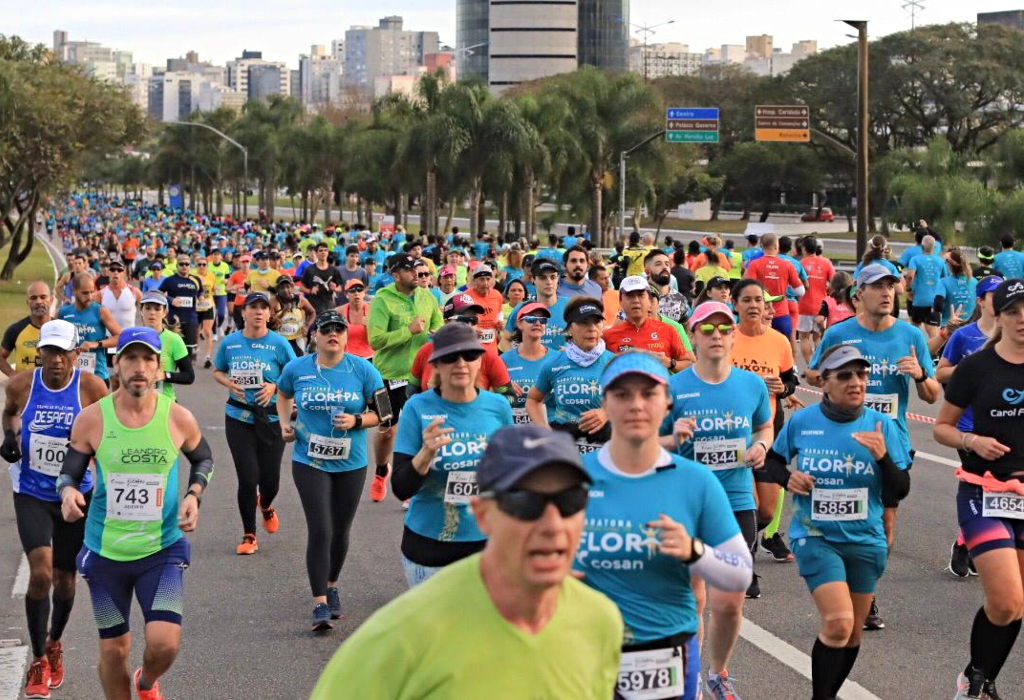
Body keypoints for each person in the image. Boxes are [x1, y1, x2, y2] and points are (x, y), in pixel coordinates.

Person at [311, 424, 622, 699]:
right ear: (483, 514)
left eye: (569, 500)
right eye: (527, 502)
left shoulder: (600, 620)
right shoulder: (401, 635)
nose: (553, 524)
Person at [577, 351, 753, 700]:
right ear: (605, 404)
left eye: (649, 394)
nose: (636, 405)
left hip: (665, 653)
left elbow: (739, 574)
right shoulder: (571, 477)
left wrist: (693, 551)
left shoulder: (696, 481)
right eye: (622, 394)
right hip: (584, 650)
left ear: (667, 404)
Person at [56, 326, 213, 700]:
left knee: (164, 644)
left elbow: (203, 457)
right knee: (113, 650)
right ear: (117, 366)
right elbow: (69, 472)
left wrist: (194, 493)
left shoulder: (178, 418)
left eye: (147, 359)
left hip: (161, 550)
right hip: (106, 551)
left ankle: (145, 682)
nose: (139, 367)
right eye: (131, 358)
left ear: (160, 369)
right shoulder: (93, 419)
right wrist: (67, 492)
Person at [761, 345, 910, 700]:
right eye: (845, 376)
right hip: (815, 536)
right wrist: (788, 480)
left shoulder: (882, 425)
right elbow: (771, 463)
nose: (856, 382)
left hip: (865, 539)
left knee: (853, 634)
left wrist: (884, 458)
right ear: (825, 383)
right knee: (838, 623)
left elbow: (900, 488)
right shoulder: (803, 421)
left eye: (862, 374)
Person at [808, 263, 940, 630]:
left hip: (891, 445)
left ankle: (866, 590)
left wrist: (920, 374)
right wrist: (842, 386)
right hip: (844, 443)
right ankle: (848, 586)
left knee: (884, 525)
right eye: (877, 286)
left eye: (891, 286)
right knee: (848, 518)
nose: (887, 293)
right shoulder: (839, 333)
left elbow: (931, 397)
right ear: (858, 295)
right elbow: (813, 374)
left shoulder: (911, 336)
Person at [665, 302, 772, 698]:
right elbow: (647, 444)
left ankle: (719, 673)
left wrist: (762, 444)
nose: (715, 335)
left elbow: (764, 424)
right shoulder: (673, 387)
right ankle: (689, 675)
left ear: (732, 336)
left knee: (730, 601)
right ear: (692, 335)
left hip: (736, 499)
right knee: (693, 597)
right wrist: (672, 437)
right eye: (705, 328)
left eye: (723, 328)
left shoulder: (751, 384)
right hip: (686, 500)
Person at [2, 320, 108, 699]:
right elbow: (11, 413)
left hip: (76, 495)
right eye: (50, 352)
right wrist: (10, 436)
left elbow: (107, 431)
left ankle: (55, 642)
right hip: (31, 491)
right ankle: (38, 660)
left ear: (75, 354)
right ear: (41, 352)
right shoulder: (22, 385)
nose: (56, 360)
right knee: (41, 573)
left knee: (65, 580)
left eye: (63, 352)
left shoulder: (92, 388)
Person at [934, 277, 1024, 700]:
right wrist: (972, 441)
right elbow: (942, 429)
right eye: (1012, 311)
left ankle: (980, 678)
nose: (1022, 319)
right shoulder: (976, 367)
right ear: (998, 317)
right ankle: (972, 682)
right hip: (982, 491)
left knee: (1017, 602)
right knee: (1005, 600)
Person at [277, 310, 385, 631]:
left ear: (347, 335)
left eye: (339, 329)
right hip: (309, 460)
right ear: (315, 336)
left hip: (351, 462)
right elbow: (282, 394)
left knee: (340, 531)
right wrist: (285, 423)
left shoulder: (363, 370)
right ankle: (319, 603)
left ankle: (332, 583)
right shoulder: (297, 368)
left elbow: (384, 415)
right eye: (327, 330)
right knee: (321, 528)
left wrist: (357, 421)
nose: (333, 334)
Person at [391, 323, 514, 586]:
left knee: (484, 627)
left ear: (480, 361)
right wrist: (425, 454)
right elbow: (401, 488)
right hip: (430, 546)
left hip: (487, 543)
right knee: (433, 629)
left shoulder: (498, 407)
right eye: (450, 357)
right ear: (436, 364)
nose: (460, 363)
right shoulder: (417, 407)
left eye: (469, 355)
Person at [214, 292, 297, 555]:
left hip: (272, 418)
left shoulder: (279, 344)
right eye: (253, 307)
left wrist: (274, 386)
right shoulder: (230, 343)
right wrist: (228, 382)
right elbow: (218, 370)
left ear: (269, 314)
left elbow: (294, 373)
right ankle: (249, 535)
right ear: (244, 313)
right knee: (248, 478)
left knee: (270, 481)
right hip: (239, 417)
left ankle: (267, 505)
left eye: (264, 308)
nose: (259, 312)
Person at [729, 280, 800, 566]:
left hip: (768, 431)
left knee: (767, 511)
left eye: (759, 300)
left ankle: (739, 539)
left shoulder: (778, 341)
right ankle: (736, 555)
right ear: (735, 304)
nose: (754, 305)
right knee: (749, 503)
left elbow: (790, 379)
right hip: (731, 434)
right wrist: (754, 382)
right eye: (747, 300)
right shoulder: (727, 337)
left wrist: (783, 389)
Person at [936, 275, 1002, 578]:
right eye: (991, 294)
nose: (997, 298)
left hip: (1003, 426)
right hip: (967, 426)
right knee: (981, 486)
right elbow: (941, 374)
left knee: (996, 491)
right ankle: (966, 545)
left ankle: (970, 542)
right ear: (980, 300)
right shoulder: (964, 336)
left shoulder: (1013, 336)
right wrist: (971, 369)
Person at [367, 253, 444, 503]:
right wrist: (407, 331)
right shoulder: (382, 299)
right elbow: (375, 341)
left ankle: (414, 482)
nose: (416, 274)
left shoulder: (427, 296)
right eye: (409, 270)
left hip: (420, 377)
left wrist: (437, 334)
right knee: (387, 430)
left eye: (418, 269)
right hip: (387, 376)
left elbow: (439, 326)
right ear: (396, 274)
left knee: (421, 430)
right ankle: (381, 471)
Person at [527, 297, 614, 453]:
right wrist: (545, 430)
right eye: (584, 322)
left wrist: (606, 412)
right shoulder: (554, 363)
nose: (592, 328)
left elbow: (634, 402)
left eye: (596, 322)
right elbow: (533, 399)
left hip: (606, 450)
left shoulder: (615, 363)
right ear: (569, 329)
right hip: (564, 451)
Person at [409, 294, 511, 393]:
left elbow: (510, 396)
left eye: (474, 320)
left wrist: (485, 399)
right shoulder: (426, 350)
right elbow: (411, 390)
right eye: (463, 320)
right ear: (446, 322)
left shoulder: (488, 355)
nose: (469, 325)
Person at [603, 276, 693, 372]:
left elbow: (690, 365)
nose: (636, 300)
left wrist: (670, 363)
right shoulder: (608, 336)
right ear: (620, 301)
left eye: (641, 295)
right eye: (629, 296)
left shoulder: (668, 330)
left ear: (650, 301)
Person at [58, 274, 122, 386]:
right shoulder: (64, 312)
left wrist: (96, 344)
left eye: (92, 292)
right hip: (70, 375)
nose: (89, 296)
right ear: (74, 291)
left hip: (98, 375)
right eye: (85, 293)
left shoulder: (100, 311)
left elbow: (121, 337)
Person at [501, 303, 555, 425]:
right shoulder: (504, 360)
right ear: (519, 324)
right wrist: (504, 388)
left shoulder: (558, 359)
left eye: (542, 320)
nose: (537, 323)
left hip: (550, 431)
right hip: (516, 431)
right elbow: (490, 394)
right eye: (531, 319)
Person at [744, 234, 805, 339]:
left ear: (761, 246)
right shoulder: (787, 265)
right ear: (777, 246)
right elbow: (801, 291)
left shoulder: (754, 264)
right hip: (781, 313)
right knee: (785, 345)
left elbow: (748, 287)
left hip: (760, 313)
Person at [138, 291, 194, 403]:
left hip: (165, 403)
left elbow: (189, 376)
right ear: (141, 311)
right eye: (148, 308)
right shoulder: (133, 337)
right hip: (138, 403)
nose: (152, 313)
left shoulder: (173, 339)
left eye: (157, 309)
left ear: (165, 312)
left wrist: (164, 375)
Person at [504, 258, 571, 351]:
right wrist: (516, 359)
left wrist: (571, 351)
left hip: (563, 365)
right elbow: (505, 339)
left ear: (558, 280)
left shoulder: (570, 306)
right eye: (542, 277)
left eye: (552, 277)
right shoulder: (522, 308)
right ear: (534, 280)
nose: (549, 282)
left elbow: (583, 337)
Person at [796, 237, 835, 366]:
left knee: (804, 337)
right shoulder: (826, 262)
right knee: (818, 337)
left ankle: (809, 366)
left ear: (804, 249)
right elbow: (834, 282)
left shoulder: (800, 263)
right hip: (821, 306)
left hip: (804, 306)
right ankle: (820, 364)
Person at [1, 281, 53, 377]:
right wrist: (12, 375)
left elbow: (73, 357)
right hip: (25, 389)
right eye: (33, 298)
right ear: (28, 303)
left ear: (51, 299)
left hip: (53, 388)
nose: (38, 302)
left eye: (43, 297)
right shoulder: (16, 330)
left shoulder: (61, 328)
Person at [904, 235, 947, 339]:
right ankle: (934, 354)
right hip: (934, 303)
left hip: (918, 301)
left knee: (915, 332)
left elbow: (910, 276)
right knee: (934, 335)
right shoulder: (940, 261)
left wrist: (908, 289)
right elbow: (945, 279)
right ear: (934, 247)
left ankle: (916, 353)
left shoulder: (915, 260)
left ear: (922, 246)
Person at [158, 257, 202, 358]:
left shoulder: (196, 280)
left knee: (189, 350)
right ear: (177, 266)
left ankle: (187, 371)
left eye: (187, 264)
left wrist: (201, 297)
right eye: (181, 264)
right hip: (175, 320)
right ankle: (172, 372)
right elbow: (159, 293)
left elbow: (201, 292)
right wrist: (170, 300)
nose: (184, 267)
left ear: (190, 266)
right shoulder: (169, 280)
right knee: (174, 349)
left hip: (191, 319)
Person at [270, 276, 315, 356]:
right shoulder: (273, 301)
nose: (285, 290)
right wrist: (283, 312)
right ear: (277, 289)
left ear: (293, 287)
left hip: (297, 339)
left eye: (288, 287)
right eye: (282, 288)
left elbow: (312, 312)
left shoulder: (300, 300)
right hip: (280, 338)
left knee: (298, 362)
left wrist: (307, 326)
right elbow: (270, 323)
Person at [935, 248, 978, 329]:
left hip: (949, 327)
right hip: (969, 327)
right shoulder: (974, 281)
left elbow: (938, 306)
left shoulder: (943, 282)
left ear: (950, 265)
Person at [647, 249, 691, 324]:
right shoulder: (639, 296)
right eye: (658, 264)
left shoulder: (680, 299)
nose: (664, 267)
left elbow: (686, 328)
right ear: (648, 271)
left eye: (667, 264)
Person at [464, 264, 504, 347]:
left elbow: (499, 312)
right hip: (471, 343)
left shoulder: (497, 295)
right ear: (474, 280)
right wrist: (469, 329)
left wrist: (500, 322)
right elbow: (458, 319)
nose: (485, 283)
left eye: (488, 279)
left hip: (491, 344)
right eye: (481, 279)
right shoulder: (465, 296)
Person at [335, 280, 373, 359]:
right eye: (352, 290)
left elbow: (378, 341)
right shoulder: (339, 312)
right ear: (346, 294)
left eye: (360, 290)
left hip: (368, 357)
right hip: (347, 357)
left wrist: (370, 328)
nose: (356, 293)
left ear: (364, 293)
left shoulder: (372, 311)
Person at [193, 257, 217, 368]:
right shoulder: (193, 276)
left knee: (207, 332)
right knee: (196, 332)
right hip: (196, 307)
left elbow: (213, 289)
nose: (202, 266)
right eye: (200, 264)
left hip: (208, 306)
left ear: (207, 265)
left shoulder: (211, 276)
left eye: (204, 264)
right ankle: (195, 351)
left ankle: (208, 357)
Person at [207, 248, 232, 339]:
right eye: (214, 254)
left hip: (222, 293)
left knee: (221, 314)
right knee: (213, 314)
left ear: (221, 256)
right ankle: (214, 333)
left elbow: (229, 278)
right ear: (211, 256)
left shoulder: (225, 266)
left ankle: (219, 326)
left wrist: (226, 280)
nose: (216, 256)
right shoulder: (208, 265)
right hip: (210, 293)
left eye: (218, 254)